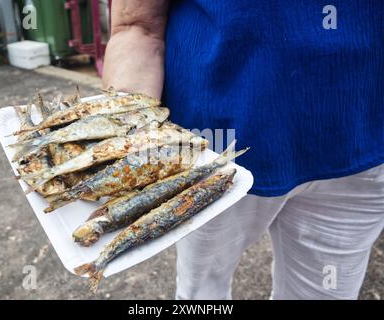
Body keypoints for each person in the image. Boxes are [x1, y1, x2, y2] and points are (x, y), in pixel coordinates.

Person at [102, 0, 384, 299]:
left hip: (364, 142)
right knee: (203, 293)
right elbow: (137, 26)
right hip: (212, 150)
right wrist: (124, 134)